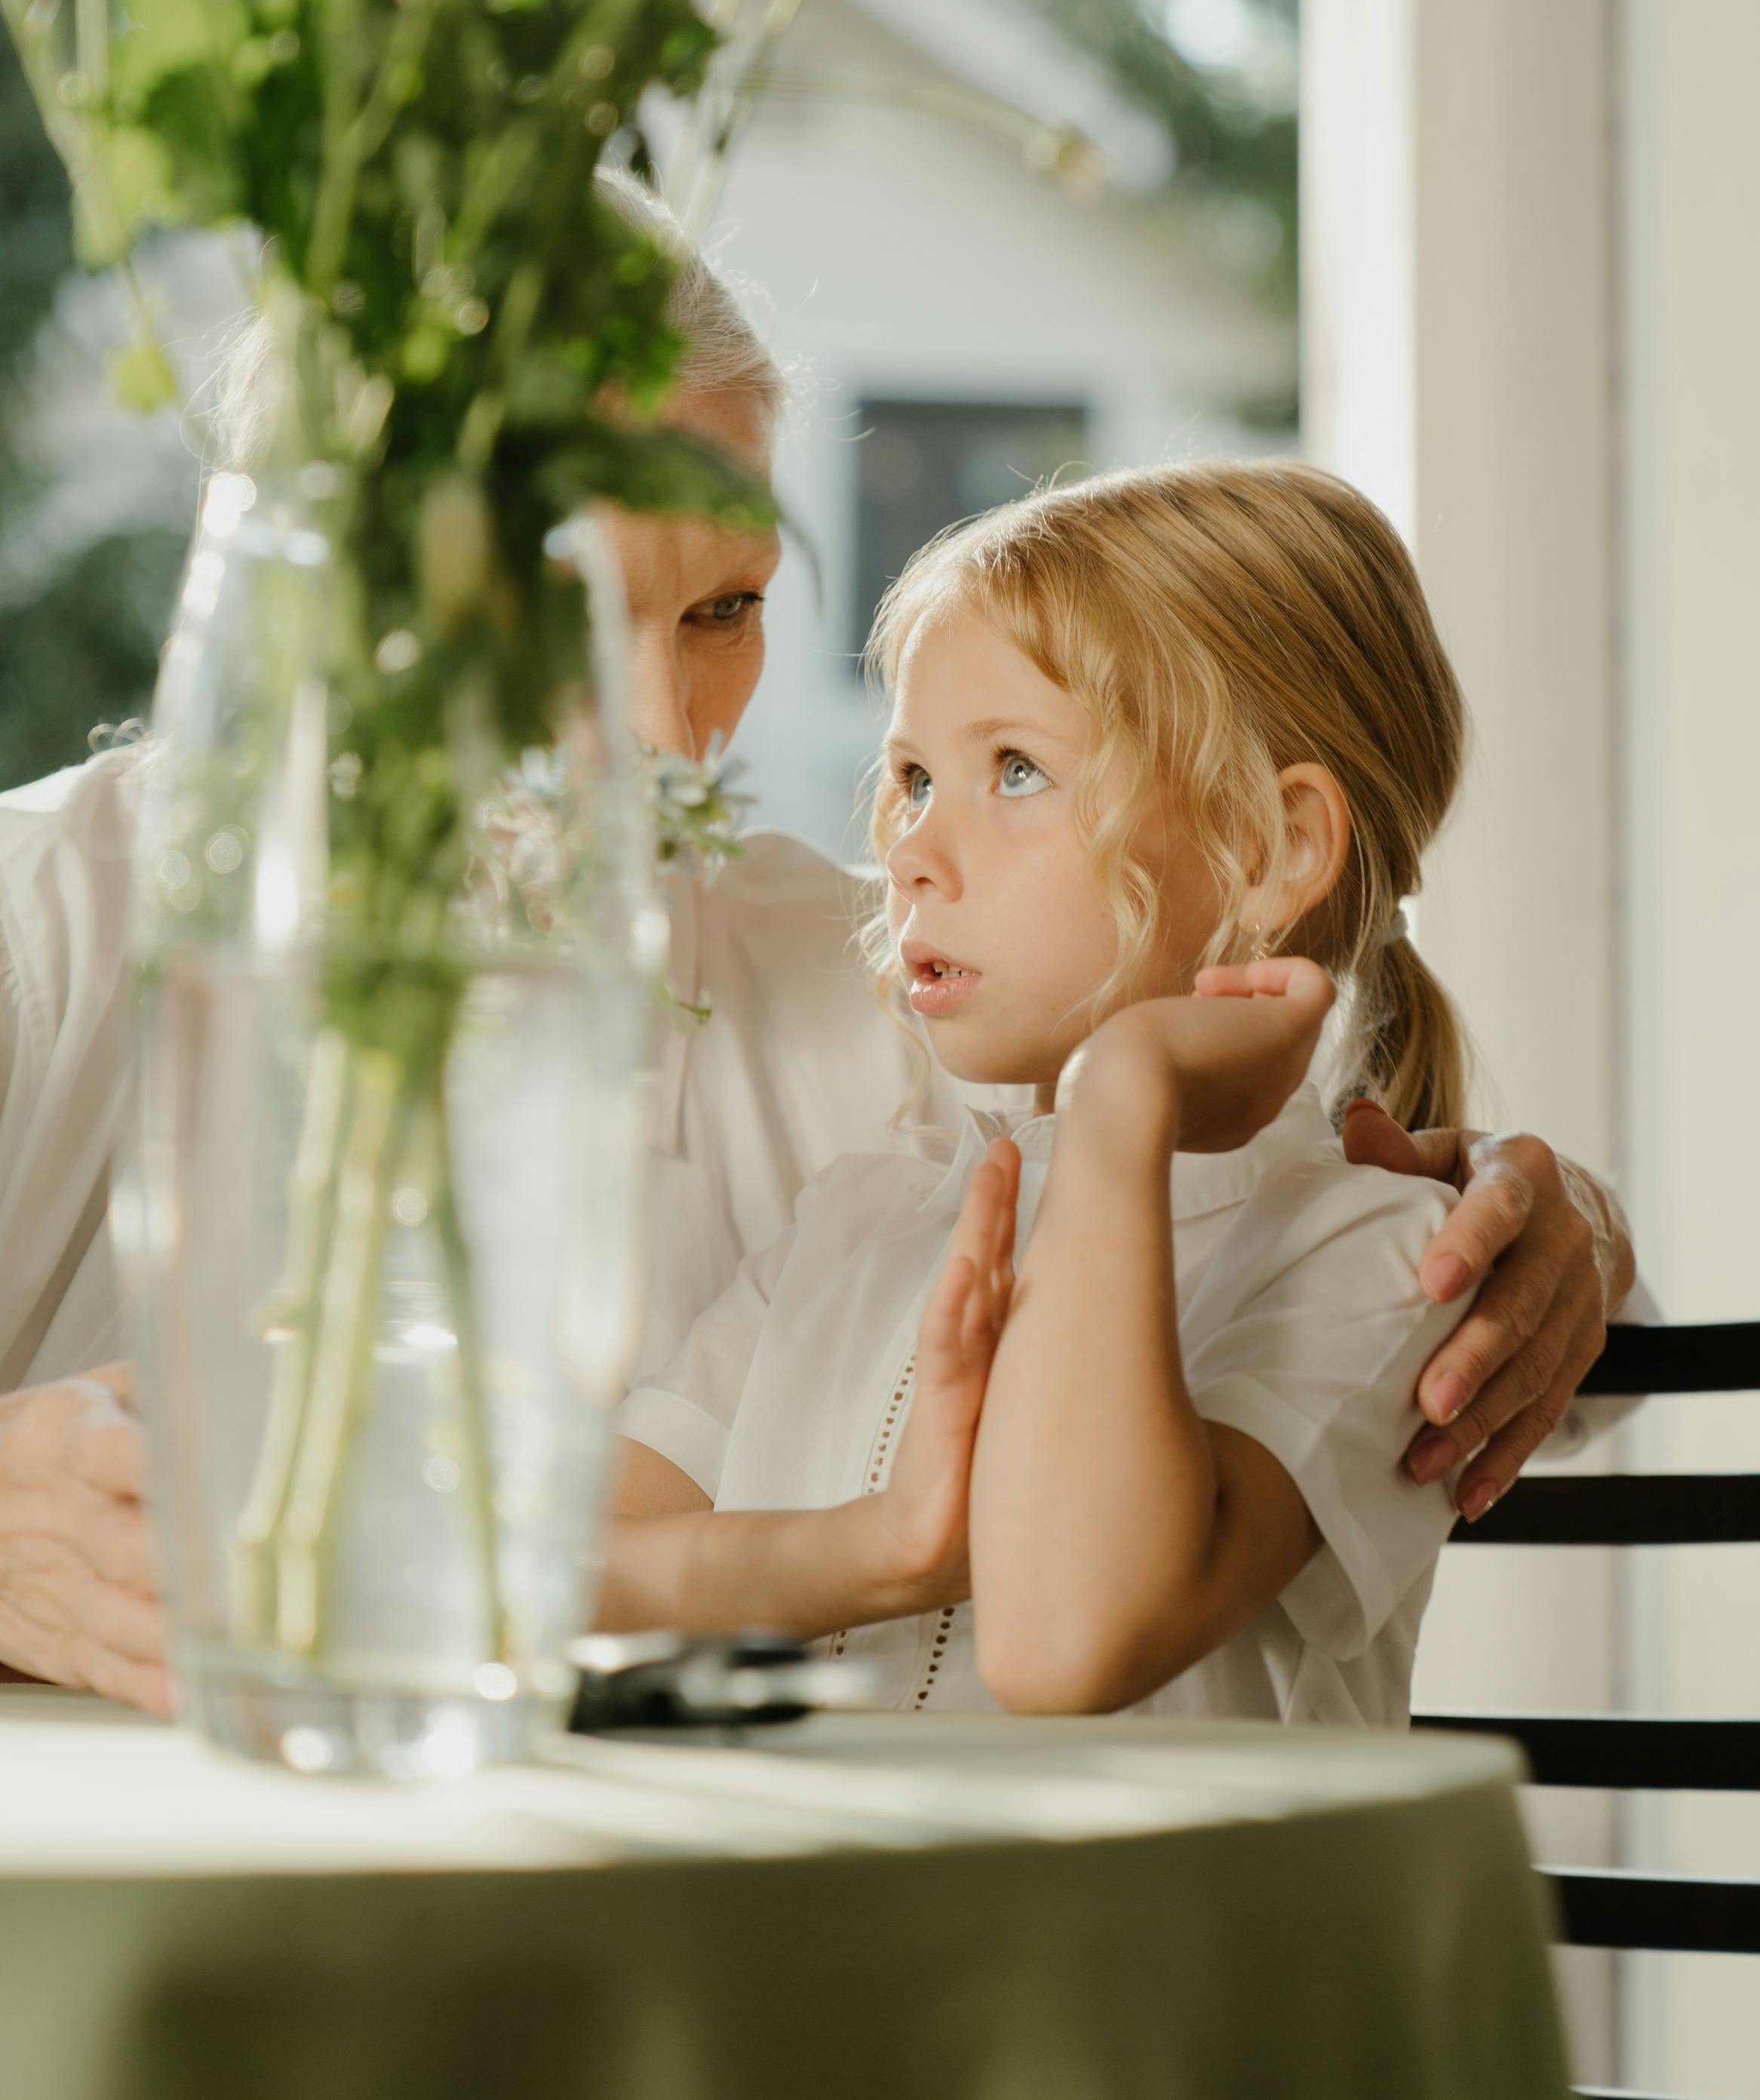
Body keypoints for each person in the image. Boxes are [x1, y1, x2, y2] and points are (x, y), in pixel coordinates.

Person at [0, 189, 1636, 1713]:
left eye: (725, 609)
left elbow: (1294, 1204)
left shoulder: (887, 981)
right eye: (562, 602)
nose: (664, 733)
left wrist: (1553, 1224)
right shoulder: (43, 930)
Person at [604, 463, 1501, 1721]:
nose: (909, 850)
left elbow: (1061, 1648)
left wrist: (1121, 1102)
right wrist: (875, 1544)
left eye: (1014, 770)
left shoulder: (1370, 1256)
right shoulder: (848, 1229)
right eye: (912, 778)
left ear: (1268, 846)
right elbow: (561, 1578)